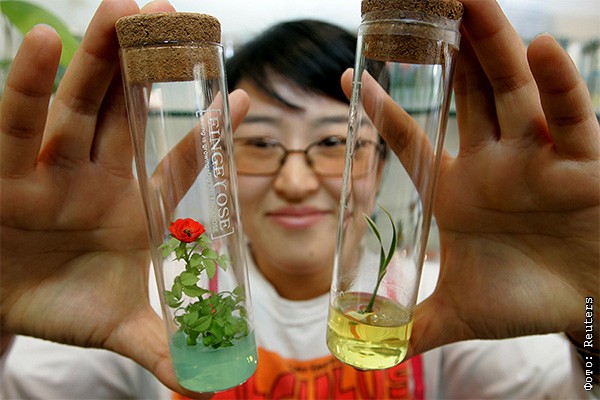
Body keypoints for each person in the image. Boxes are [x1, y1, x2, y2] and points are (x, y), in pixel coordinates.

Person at [0, 0, 597, 398]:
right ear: (222, 164)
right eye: (260, 143)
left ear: (379, 161)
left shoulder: (451, 296)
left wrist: (591, 319)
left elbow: (586, 381)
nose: (295, 181)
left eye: (334, 142)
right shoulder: (143, 305)